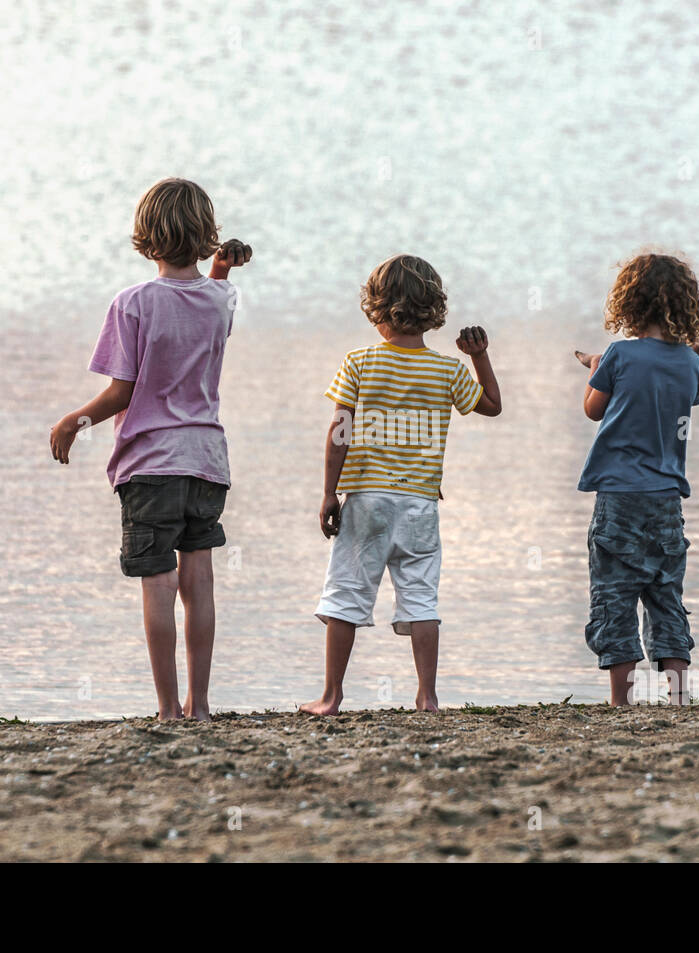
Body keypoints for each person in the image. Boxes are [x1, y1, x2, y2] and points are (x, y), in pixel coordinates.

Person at [49, 177, 251, 722]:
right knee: (200, 581)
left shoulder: (131, 303)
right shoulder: (220, 298)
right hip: (207, 461)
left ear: (146, 236)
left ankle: (166, 708)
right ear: (207, 236)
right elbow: (204, 309)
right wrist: (223, 272)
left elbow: (123, 391)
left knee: (158, 583)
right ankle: (200, 705)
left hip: (151, 465)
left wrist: (76, 420)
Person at [299, 255, 501, 715]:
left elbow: (339, 433)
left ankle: (331, 696)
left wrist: (330, 492)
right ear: (433, 307)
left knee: (346, 594)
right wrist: (479, 356)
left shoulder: (359, 362)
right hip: (420, 504)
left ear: (376, 308)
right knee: (421, 597)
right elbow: (491, 404)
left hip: (366, 500)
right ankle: (427, 697)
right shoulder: (447, 371)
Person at [577, 253, 699, 706]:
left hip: (619, 497)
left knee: (615, 594)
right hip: (667, 498)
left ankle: (622, 701)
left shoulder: (618, 354)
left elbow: (594, 409)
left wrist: (597, 368)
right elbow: (680, 393)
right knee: (664, 594)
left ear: (628, 304)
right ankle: (677, 698)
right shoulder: (692, 364)